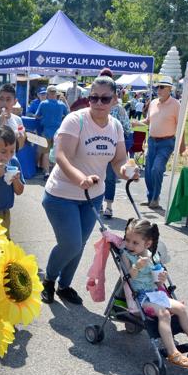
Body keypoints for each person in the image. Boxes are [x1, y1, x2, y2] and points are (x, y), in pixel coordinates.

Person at [41, 75, 136, 305]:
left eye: (105, 99)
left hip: (92, 196)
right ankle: (48, 281)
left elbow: (119, 159)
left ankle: (65, 285)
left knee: (80, 244)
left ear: (115, 100)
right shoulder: (76, 120)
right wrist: (80, 177)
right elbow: (61, 155)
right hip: (61, 194)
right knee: (71, 244)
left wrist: (127, 171)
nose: (98, 103)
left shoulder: (115, 126)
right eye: (93, 98)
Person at [120, 219, 188, 368]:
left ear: (147, 244)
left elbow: (158, 283)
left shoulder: (153, 256)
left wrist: (161, 279)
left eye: (135, 243)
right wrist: (136, 267)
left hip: (156, 294)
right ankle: (173, 352)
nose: (129, 245)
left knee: (181, 308)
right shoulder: (126, 255)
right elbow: (128, 277)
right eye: (127, 240)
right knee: (164, 313)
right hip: (141, 296)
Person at [132, 76, 186, 209]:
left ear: (169, 89)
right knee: (149, 171)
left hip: (167, 142)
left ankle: (155, 198)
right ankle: (151, 197)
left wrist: (182, 144)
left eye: (162, 87)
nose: (159, 89)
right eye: (158, 87)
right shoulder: (153, 103)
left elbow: (181, 125)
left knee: (157, 169)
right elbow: (148, 120)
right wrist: (137, 123)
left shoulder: (176, 105)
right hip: (152, 141)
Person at [102, 90, 134, 218]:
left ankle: (108, 206)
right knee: (98, 175)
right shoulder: (95, 109)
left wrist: (122, 149)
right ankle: (98, 203)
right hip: (96, 148)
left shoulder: (119, 110)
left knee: (109, 177)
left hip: (114, 148)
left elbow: (128, 129)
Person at [35, 85, 69, 180]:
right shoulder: (61, 105)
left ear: (48, 93)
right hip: (58, 132)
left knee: (45, 152)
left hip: (46, 131)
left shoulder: (43, 104)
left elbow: (37, 116)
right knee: (56, 152)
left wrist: (43, 117)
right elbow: (68, 115)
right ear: (56, 93)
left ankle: (46, 173)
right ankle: (55, 172)